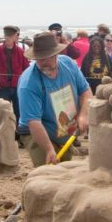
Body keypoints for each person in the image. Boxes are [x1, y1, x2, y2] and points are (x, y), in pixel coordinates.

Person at [17, 31, 91, 168]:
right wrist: (49, 149)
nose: (43, 62)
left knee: (63, 172)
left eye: (48, 57)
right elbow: (34, 122)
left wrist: (83, 115)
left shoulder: (69, 64)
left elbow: (86, 92)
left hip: (64, 131)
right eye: (39, 58)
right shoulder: (28, 84)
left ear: (56, 54)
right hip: (36, 132)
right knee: (46, 172)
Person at [0, 25, 29, 127]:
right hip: (3, 88)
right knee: (2, 113)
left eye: (12, 36)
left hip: (17, 87)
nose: (9, 38)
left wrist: (23, 85)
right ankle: (2, 134)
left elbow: (27, 70)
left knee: (19, 112)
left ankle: (18, 135)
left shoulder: (21, 51)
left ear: (16, 37)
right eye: (8, 36)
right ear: (5, 36)